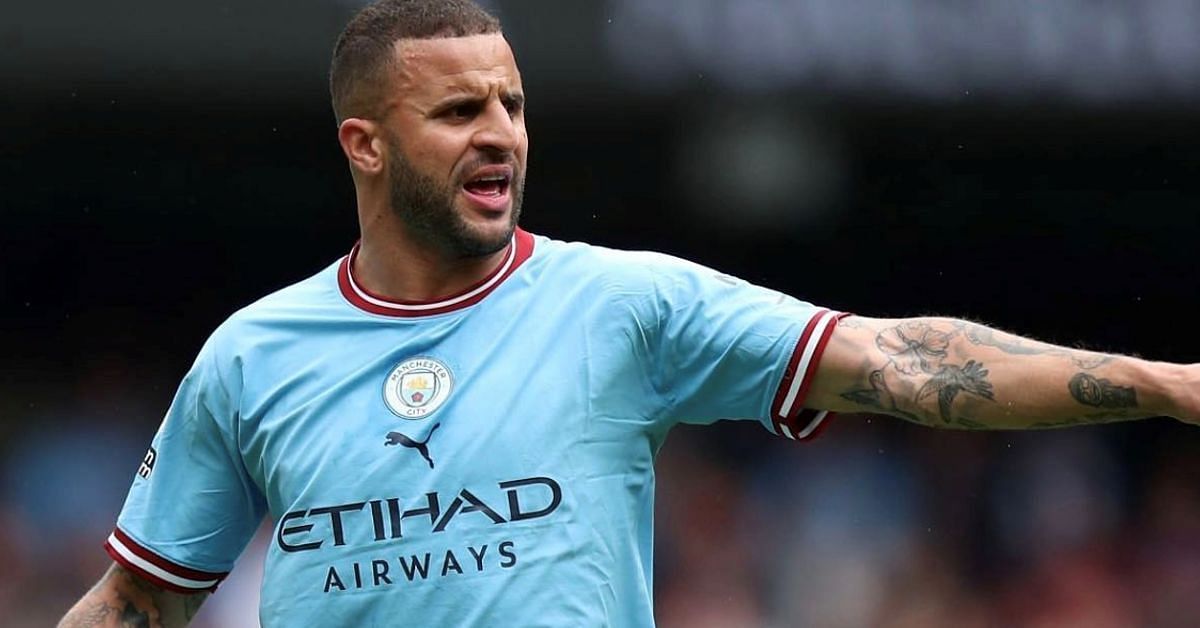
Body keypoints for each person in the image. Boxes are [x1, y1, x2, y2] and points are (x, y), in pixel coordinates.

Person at [58, 1, 1199, 626]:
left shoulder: (626, 305)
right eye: (459, 109)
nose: (501, 130)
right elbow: (138, 600)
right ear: (365, 144)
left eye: (512, 100)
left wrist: (1161, 383)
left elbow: (894, 360)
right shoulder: (254, 356)